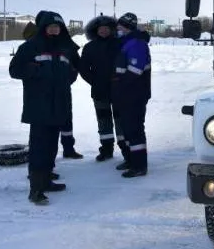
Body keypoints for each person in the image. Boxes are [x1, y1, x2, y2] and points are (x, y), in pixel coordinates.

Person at [9, 11, 79, 205]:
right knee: (39, 148)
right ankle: (36, 189)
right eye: (51, 27)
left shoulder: (65, 48)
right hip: (39, 105)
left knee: (51, 146)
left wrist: (68, 78)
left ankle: (47, 181)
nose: (54, 30)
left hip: (59, 104)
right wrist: (35, 71)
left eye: (57, 27)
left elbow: (73, 70)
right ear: (43, 28)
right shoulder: (31, 46)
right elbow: (14, 70)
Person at [79, 14, 126, 162]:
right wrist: (95, 81)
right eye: (101, 29)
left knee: (121, 121)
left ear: (111, 29)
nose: (104, 31)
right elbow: (84, 69)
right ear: (95, 31)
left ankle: (126, 150)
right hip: (99, 91)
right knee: (103, 121)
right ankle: (106, 149)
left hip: (119, 90)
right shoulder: (89, 47)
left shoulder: (120, 44)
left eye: (107, 28)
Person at [112, 12, 151, 177]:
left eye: (120, 26)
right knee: (127, 129)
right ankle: (131, 160)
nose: (118, 29)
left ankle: (139, 165)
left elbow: (135, 70)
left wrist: (119, 82)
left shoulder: (136, 44)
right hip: (126, 94)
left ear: (127, 27)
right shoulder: (125, 42)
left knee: (134, 129)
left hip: (135, 94)